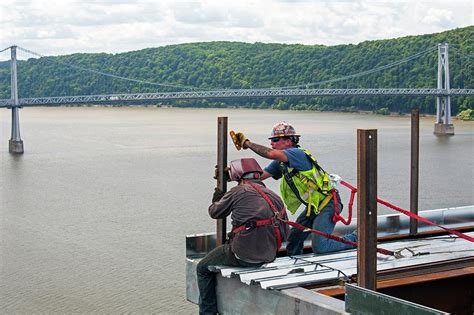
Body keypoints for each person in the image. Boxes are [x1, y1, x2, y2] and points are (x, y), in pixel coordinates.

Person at [231, 121, 356, 256]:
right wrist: (232, 174)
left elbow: (271, 153)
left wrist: (247, 144)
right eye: (272, 140)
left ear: (289, 141)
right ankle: (296, 267)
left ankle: (357, 238)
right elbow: (258, 177)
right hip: (313, 207)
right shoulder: (281, 162)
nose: (272, 143)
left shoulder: (297, 154)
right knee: (293, 240)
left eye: (276, 140)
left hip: (328, 204)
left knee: (321, 246)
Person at [196, 158, 288, 315]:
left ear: (238, 177)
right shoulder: (275, 197)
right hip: (268, 256)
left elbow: (214, 212)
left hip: (242, 255)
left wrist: (217, 199)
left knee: (202, 268)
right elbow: (285, 234)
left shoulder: (237, 191)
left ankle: (207, 312)